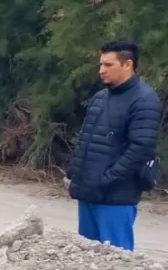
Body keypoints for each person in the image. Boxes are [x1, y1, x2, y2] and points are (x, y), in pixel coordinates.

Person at [66, 40, 162, 251]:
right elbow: (86, 138)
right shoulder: (100, 98)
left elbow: (140, 148)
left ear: (128, 64)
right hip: (89, 193)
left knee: (116, 261)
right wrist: (74, 170)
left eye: (108, 65)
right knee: (87, 260)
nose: (101, 70)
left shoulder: (144, 100)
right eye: (100, 65)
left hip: (116, 198)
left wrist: (106, 179)